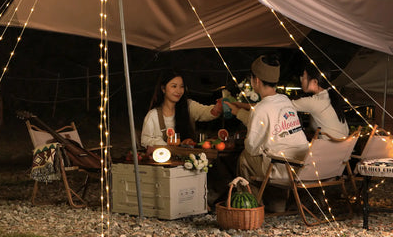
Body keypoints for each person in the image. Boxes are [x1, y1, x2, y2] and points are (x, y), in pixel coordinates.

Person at [225, 54, 309, 182]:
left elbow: (252, 148)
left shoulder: (261, 109)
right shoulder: (285, 100)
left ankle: (251, 199)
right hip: (302, 165)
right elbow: (268, 118)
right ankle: (276, 200)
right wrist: (239, 110)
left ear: (256, 80)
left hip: (281, 168)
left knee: (245, 157)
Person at [141, 69, 223, 148]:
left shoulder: (189, 106)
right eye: (174, 86)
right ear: (163, 89)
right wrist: (165, 145)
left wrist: (218, 107)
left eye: (182, 86)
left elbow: (207, 113)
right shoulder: (153, 115)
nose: (178, 91)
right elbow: (145, 140)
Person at [292, 63, 349, 139]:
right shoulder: (330, 96)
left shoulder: (315, 102)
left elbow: (282, 104)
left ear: (315, 82)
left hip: (327, 148)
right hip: (344, 147)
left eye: (304, 77)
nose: (301, 80)